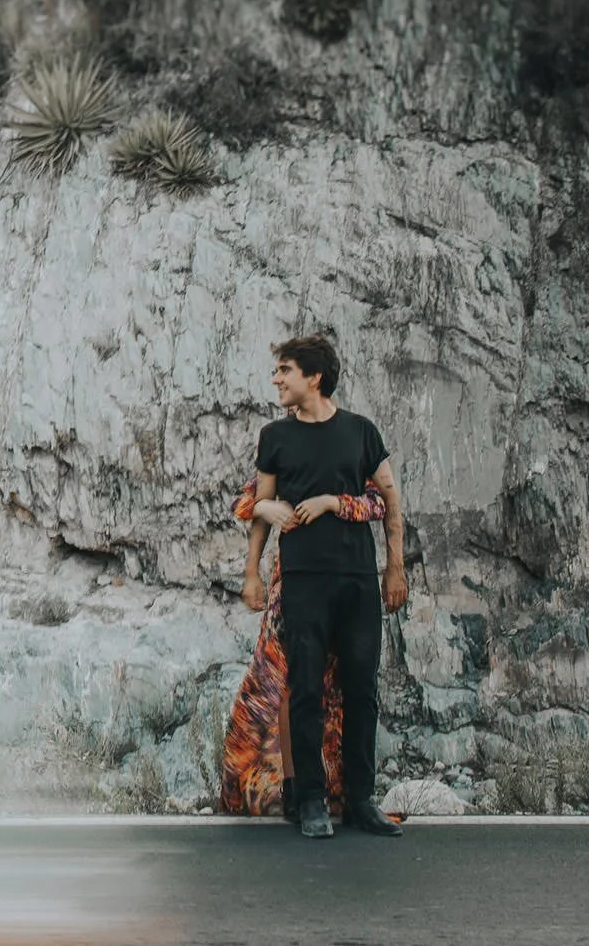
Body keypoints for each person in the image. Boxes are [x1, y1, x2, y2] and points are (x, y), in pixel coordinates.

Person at [249, 333, 409, 839]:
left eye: (285, 370)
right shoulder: (275, 437)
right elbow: (260, 508)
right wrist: (251, 569)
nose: (276, 379)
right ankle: (313, 801)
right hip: (302, 581)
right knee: (306, 691)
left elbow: (389, 500)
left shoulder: (361, 432)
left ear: (313, 377)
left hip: (358, 580)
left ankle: (360, 800)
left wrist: (395, 566)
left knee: (363, 690)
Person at [219, 474, 387, 821]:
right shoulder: (288, 450)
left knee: (335, 687)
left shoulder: (349, 447)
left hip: (342, 584)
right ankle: (296, 788)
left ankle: (334, 790)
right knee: (290, 682)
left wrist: (331, 503)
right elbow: (243, 502)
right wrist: (268, 507)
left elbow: (377, 503)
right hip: (293, 583)